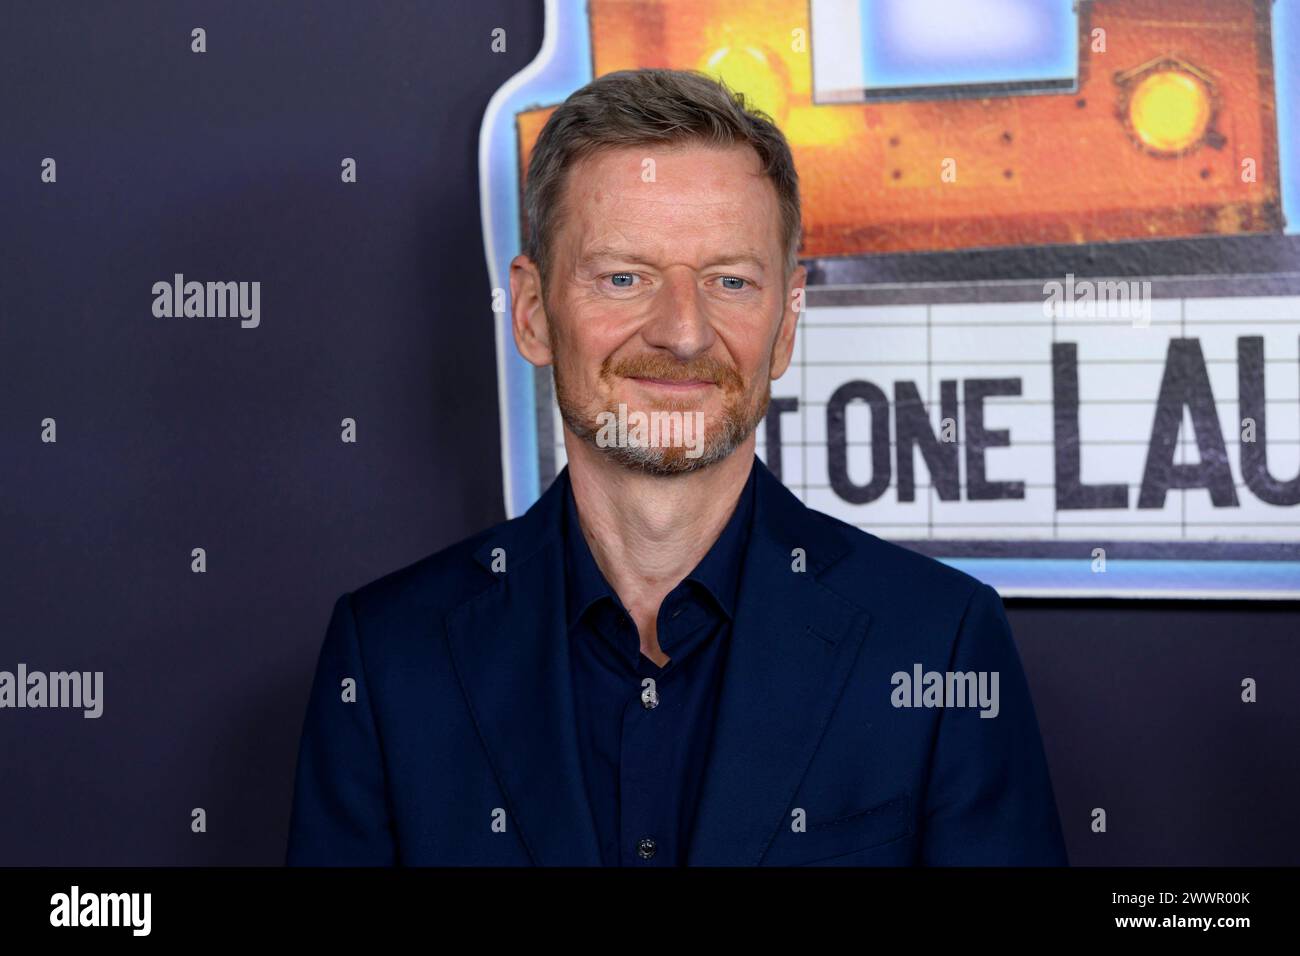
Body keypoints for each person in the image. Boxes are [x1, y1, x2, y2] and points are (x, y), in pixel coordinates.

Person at [286, 67, 1068, 866]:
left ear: (787, 324)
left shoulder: (939, 643)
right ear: (531, 313)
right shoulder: (388, 659)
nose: (684, 332)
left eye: (730, 281)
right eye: (625, 277)